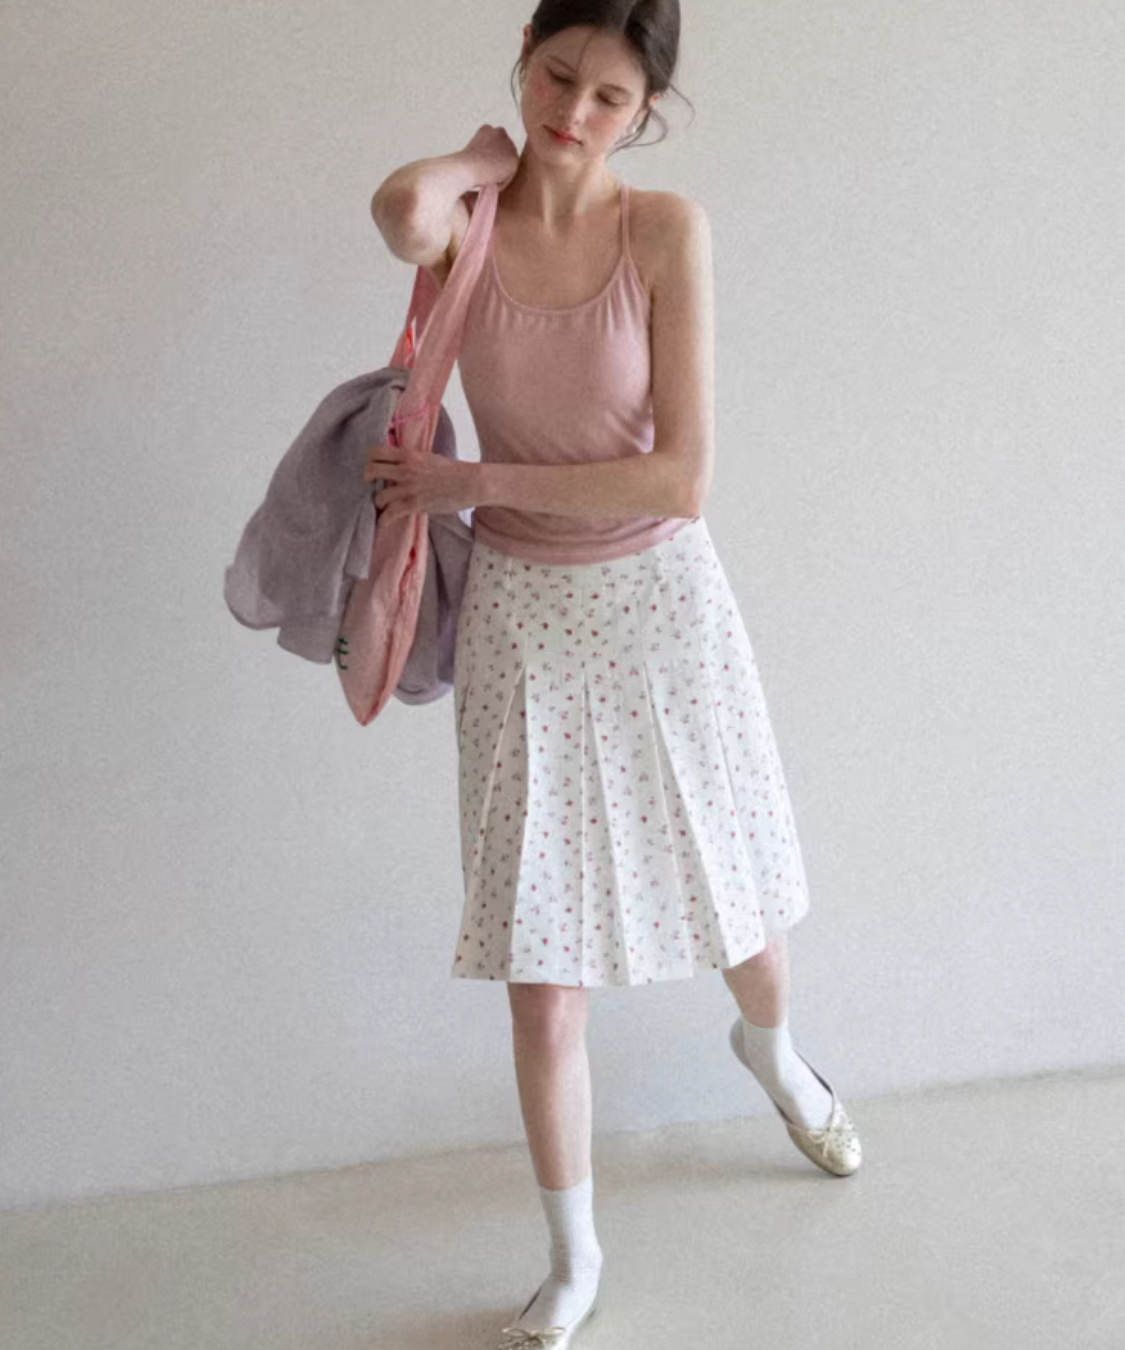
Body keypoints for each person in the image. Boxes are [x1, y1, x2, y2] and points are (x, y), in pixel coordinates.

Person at [366, 7, 861, 1346]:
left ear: (647, 113)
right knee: (542, 967)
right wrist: (478, 159)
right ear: (525, 58)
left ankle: (771, 1050)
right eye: (557, 77)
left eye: (609, 98)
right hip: (520, 613)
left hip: (661, 602)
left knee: (742, 912)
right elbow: (399, 210)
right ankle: (572, 1255)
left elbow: (680, 478)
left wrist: (471, 480)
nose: (573, 112)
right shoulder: (467, 224)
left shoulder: (665, 233)